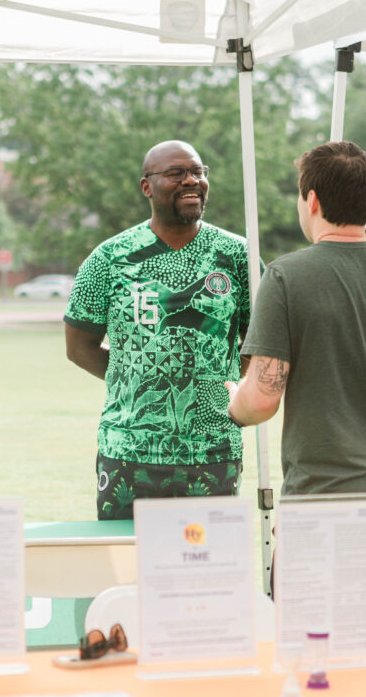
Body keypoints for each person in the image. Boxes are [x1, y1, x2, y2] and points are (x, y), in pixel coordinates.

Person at [226, 141, 366, 651]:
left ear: (310, 200)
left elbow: (260, 399)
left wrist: (229, 400)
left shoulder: (287, 276)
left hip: (323, 500)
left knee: (312, 656)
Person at [65, 139, 255, 520]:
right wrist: (135, 379)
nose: (192, 181)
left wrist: (226, 389)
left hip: (212, 449)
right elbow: (79, 346)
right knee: (128, 569)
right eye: (176, 173)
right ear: (146, 186)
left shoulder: (239, 256)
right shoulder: (108, 259)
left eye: (198, 172)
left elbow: (258, 341)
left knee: (208, 567)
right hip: (128, 451)